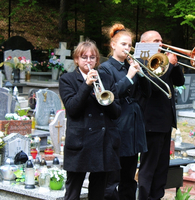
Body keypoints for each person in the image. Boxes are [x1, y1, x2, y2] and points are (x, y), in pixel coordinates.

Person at [59, 40, 121, 200]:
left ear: (97, 60)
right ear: (76, 60)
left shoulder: (106, 79)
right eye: (84, 57)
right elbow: (72, 109)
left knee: (98, 192)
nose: (88, 60)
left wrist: (106, 99)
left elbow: (116, 113)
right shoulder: (67, 79)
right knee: (73, 192)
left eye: (92, 57)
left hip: (102, 144)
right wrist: (86, 85)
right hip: (80, 144)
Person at [100, 23, 151, 200]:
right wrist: (129, 76)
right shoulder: (106, 68)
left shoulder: (131, 66)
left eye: (130, 45)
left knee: (130, 176)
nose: (127, 48)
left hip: (133, 125)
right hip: (117, 124)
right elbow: (110, 95)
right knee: (114, 177)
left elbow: (148, 93)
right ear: (113, 45)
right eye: (123, 44)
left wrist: (141, 73)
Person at [137, 30, 185, 200]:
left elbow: (179, 82)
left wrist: (176, 65)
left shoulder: (163, 60)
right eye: (156, 40)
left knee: (162, 167)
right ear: (144, 44)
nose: (161, 43)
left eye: (162, 40)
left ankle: (157, 197)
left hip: (165, 121)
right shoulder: (142, 60)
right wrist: (169, 65)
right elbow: (153, 85)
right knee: (149, 167)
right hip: (150, 122)